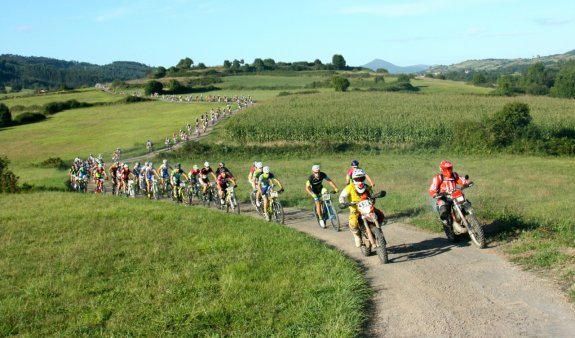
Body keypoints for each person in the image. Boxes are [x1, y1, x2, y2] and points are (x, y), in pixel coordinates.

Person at [338, 169, 385, 248]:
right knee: (353, 222)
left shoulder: (367, 187)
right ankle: (357, 235)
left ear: (364, 178)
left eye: (361, 178)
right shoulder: (350, 187)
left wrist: (373, 198)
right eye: (357, 179)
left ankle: (378, 231)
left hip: (367, 207)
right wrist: (343, 203)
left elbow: (371, 195)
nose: (359, 181)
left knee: (380, 214)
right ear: (353, 179)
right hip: (355, 208)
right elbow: (342, 196)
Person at [428, 160, 472, 232]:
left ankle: (471, 218)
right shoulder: (438, 178)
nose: (448, 170)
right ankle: (448, 226)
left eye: (449, 168)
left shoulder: (454, 175)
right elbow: (432, 189)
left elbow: (462, 181)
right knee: (444, 211)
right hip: (443, 197)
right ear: (441, 169)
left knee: (466, 203)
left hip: (455, 195)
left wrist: (468, 182)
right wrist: (435, 194)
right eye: (446, 169)